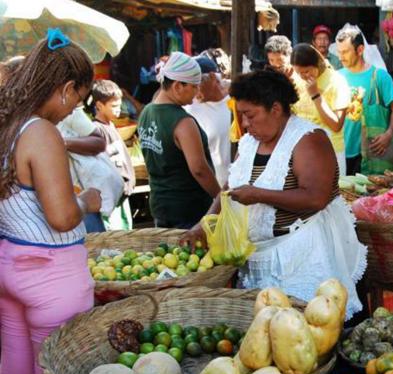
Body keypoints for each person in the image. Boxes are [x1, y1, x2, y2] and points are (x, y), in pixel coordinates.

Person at [0, 33, 126, 374]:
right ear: (65, 89)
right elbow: (60, 216)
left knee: (14, 367)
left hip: (9, 264)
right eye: (79, 94)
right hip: (51, 274)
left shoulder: (6, 126)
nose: (76, 105)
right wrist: (87, 198)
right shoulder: (41, 133)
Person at [183, 70, 367, 318]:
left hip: (301, 257)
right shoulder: (249, 142)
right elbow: (229, 187)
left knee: (305, 329)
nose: (245, 124)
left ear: (276, 109)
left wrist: (259, 194)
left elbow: (316, 198)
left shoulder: (308, 139)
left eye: (250, 115)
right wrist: (203, 224)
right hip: (257, 259)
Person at [137, 52, 220, 228]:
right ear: (177, 86)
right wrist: (220, 197)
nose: (197, 92)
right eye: (194, 86)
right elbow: (199, 169)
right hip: (188, 210)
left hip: (160, 206)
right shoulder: (183, 122)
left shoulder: (146, 112)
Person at [336, 25, 393, 175]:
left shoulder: (379, 76)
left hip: (372, 152)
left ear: (360, 50)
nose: (341, 57)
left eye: (345, 52)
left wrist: (389, 133)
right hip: (340, 151)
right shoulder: (336, 77)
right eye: (339, 52)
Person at [291, 43, 350, 176]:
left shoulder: (336, 81)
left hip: (329, 151)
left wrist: (315, 95)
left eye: (306, 71)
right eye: (298, 72)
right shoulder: (296, 79)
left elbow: (336, 125)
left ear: (317, 63)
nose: (303, 77)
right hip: (303, 150)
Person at [89, 79, 136, 230]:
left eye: (119, 105)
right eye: (113, 106)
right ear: (99, 106)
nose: (118, 109)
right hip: (112, 197)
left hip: (122, 195)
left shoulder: (111, 125)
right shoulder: (98, 129)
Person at [57, 105, 109, 233]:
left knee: (94, 244)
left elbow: (99, 141)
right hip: (49, 206)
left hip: (78, 194)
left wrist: (62, 143)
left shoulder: (68, 111)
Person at [184, 56, 232, 186]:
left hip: (236, 184)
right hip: (209, 187)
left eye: (196, 85)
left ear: (212, 77)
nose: (194, 92)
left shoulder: (235, 103)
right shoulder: (189, 108)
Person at [264, 35, 312, 121]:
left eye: (280, 60)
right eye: (271, 60)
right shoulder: (266, 78)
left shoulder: (301, 76)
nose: (276, 64)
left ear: (290, 56)